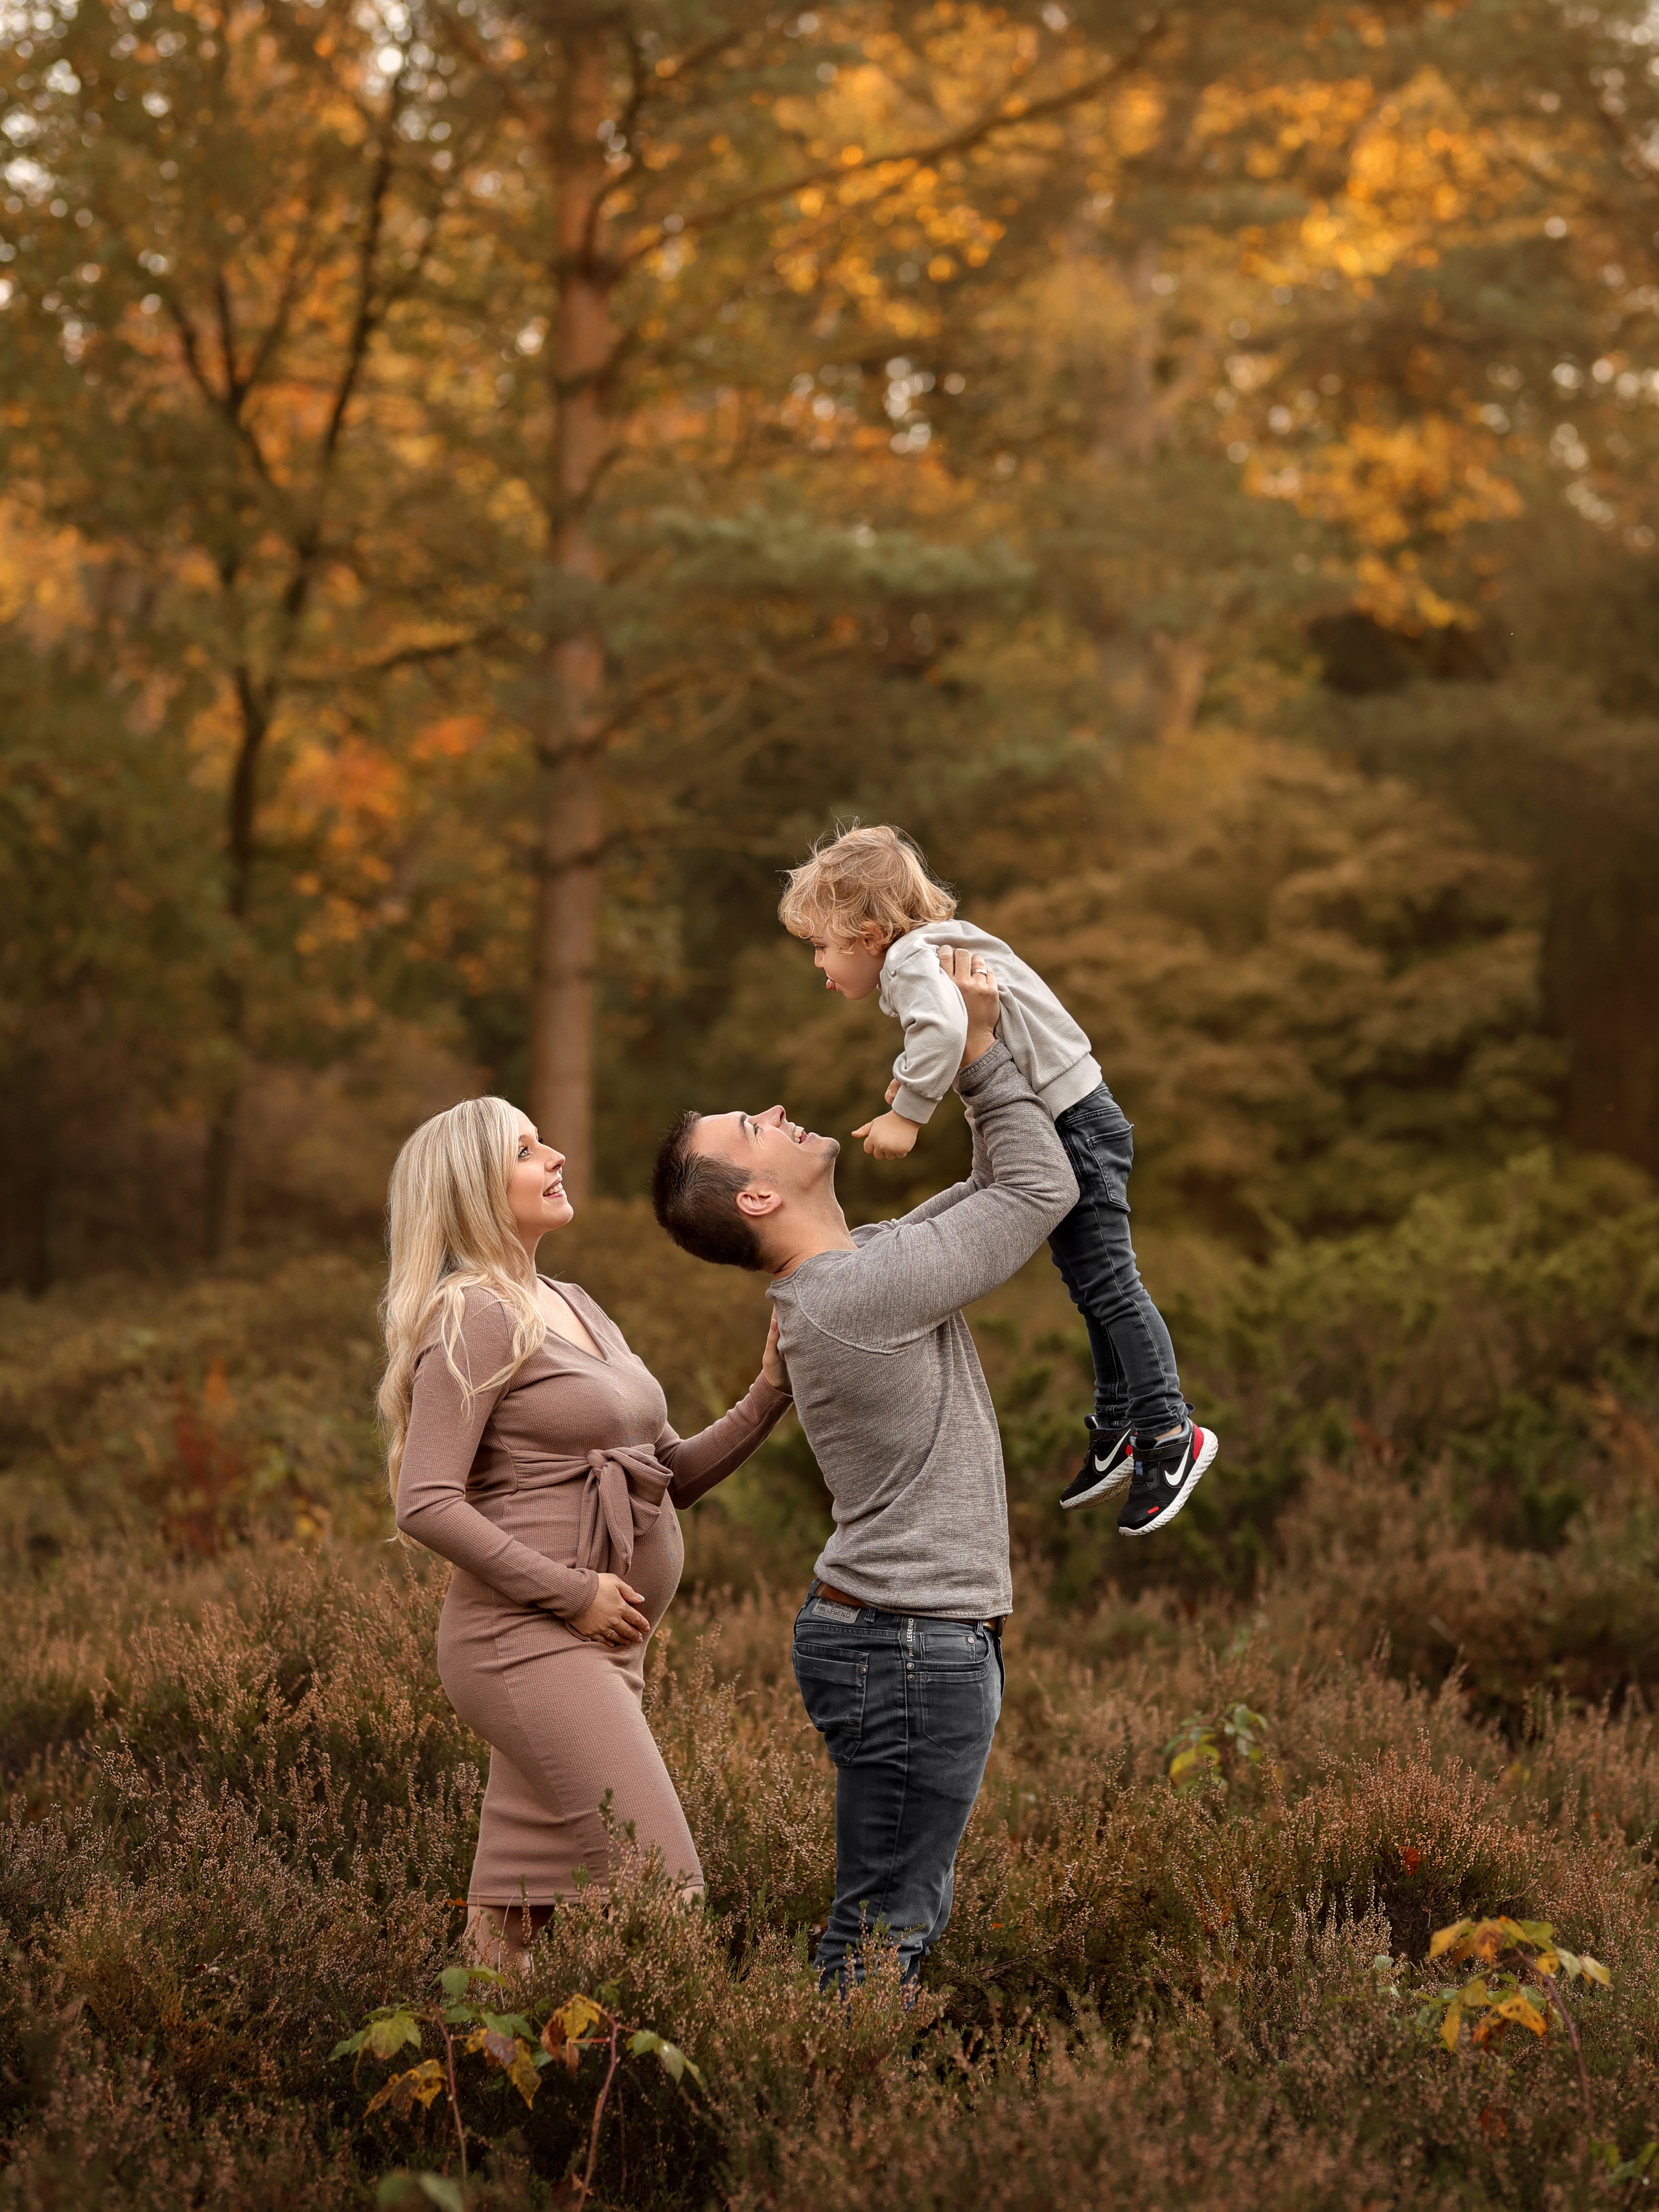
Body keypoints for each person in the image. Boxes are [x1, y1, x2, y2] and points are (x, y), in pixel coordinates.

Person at [651, 950, 1074, 1988]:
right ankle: (834, 2116)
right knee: (887, 1928)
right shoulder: (853, 1296)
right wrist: (972, 1053)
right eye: (755, 1127)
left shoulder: (859, 1269)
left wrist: (970, 1039)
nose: (780, 1108)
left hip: (907, 1640)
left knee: (901, 1915)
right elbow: (1036, 1185)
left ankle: (846, 2105)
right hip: (907, 1645)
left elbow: (987, 1183)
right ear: (755, 1198)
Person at [378, 1095, 792, 1970]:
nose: (556, 1155)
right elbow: (424, 1499)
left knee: (512, 1914)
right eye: (528, 1150)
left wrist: (769, 1392)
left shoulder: (572, 1301)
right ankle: (665, 2079)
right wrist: (575, 1593)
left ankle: (480, 2085)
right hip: (524, 1641)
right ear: (475, 1189)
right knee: (664, 1882)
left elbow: (667, 1474)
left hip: (597, 1644)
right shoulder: (475, 1312)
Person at [776, 822, 1218, 1539]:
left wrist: (910, 1117)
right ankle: (1118, 1425)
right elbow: (957, 1031)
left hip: (1075, 1121)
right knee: (1089, 1283)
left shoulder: (911, 959)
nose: (821, 968)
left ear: (865, 933)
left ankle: (1169, 1430)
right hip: (1075, 1116)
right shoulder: (935, 947)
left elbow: (949, 1031)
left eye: (821, 948)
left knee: (1109, 1282)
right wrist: (910, 1078)